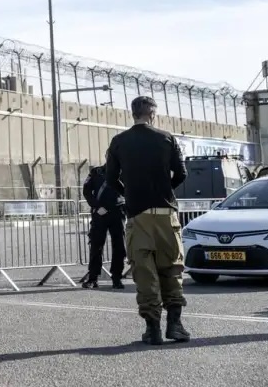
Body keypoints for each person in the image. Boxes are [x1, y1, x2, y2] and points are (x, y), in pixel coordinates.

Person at [105, 95, 190, 345]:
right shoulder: (167, 138)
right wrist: (166, 191)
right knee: (172, 269)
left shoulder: (119, 142)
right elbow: (182, 173)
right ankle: (175, 325)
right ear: (153, 113)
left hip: (138, 215)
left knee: (145, 273)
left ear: (132, 114)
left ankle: (152, 329)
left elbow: (111, 179)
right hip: (166, 214)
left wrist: (129, 193)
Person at [81, 156, 127, 289]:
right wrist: (96, 206)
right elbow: (86, 190)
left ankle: (117, 278)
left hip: (118, 212)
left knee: (119, 247)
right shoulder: (96, 172)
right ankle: (93, 278)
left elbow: (128, 191)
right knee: (96, 245)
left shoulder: (123, 172)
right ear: (107, 157)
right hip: (100, 212)